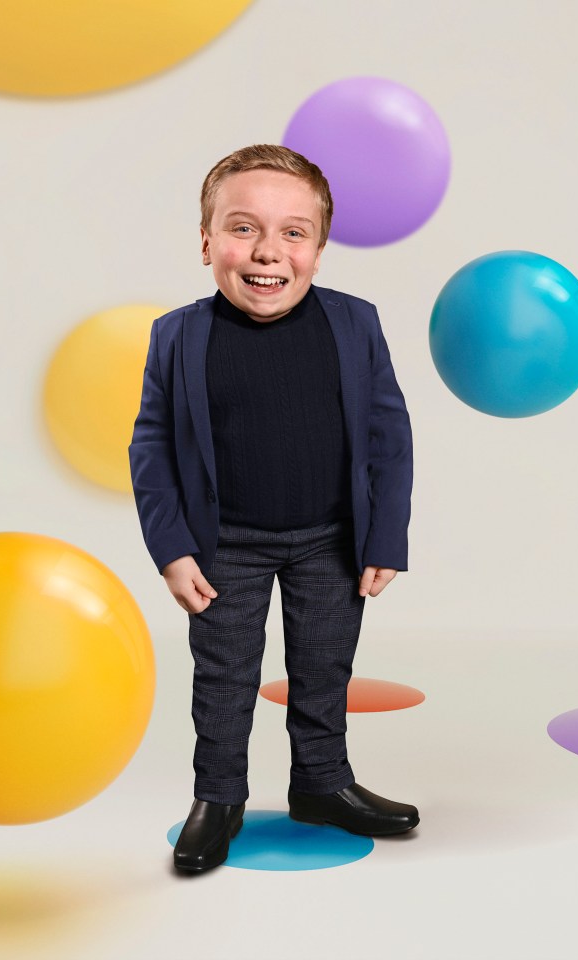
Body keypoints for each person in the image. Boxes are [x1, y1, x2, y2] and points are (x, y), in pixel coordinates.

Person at [129, 144, 419, 874]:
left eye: (293, 232)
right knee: (223, 677)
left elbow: (389, 434)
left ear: (318, 249)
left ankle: (321, 783)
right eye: (241, 228)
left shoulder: (355, 325)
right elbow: (152, 447)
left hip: (331, 540)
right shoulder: (177, 336)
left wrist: (385, 533)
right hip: (223, 545)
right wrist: (171, 548)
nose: (267, 252)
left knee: (323, 669)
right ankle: (218, 796)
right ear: (206, 242)